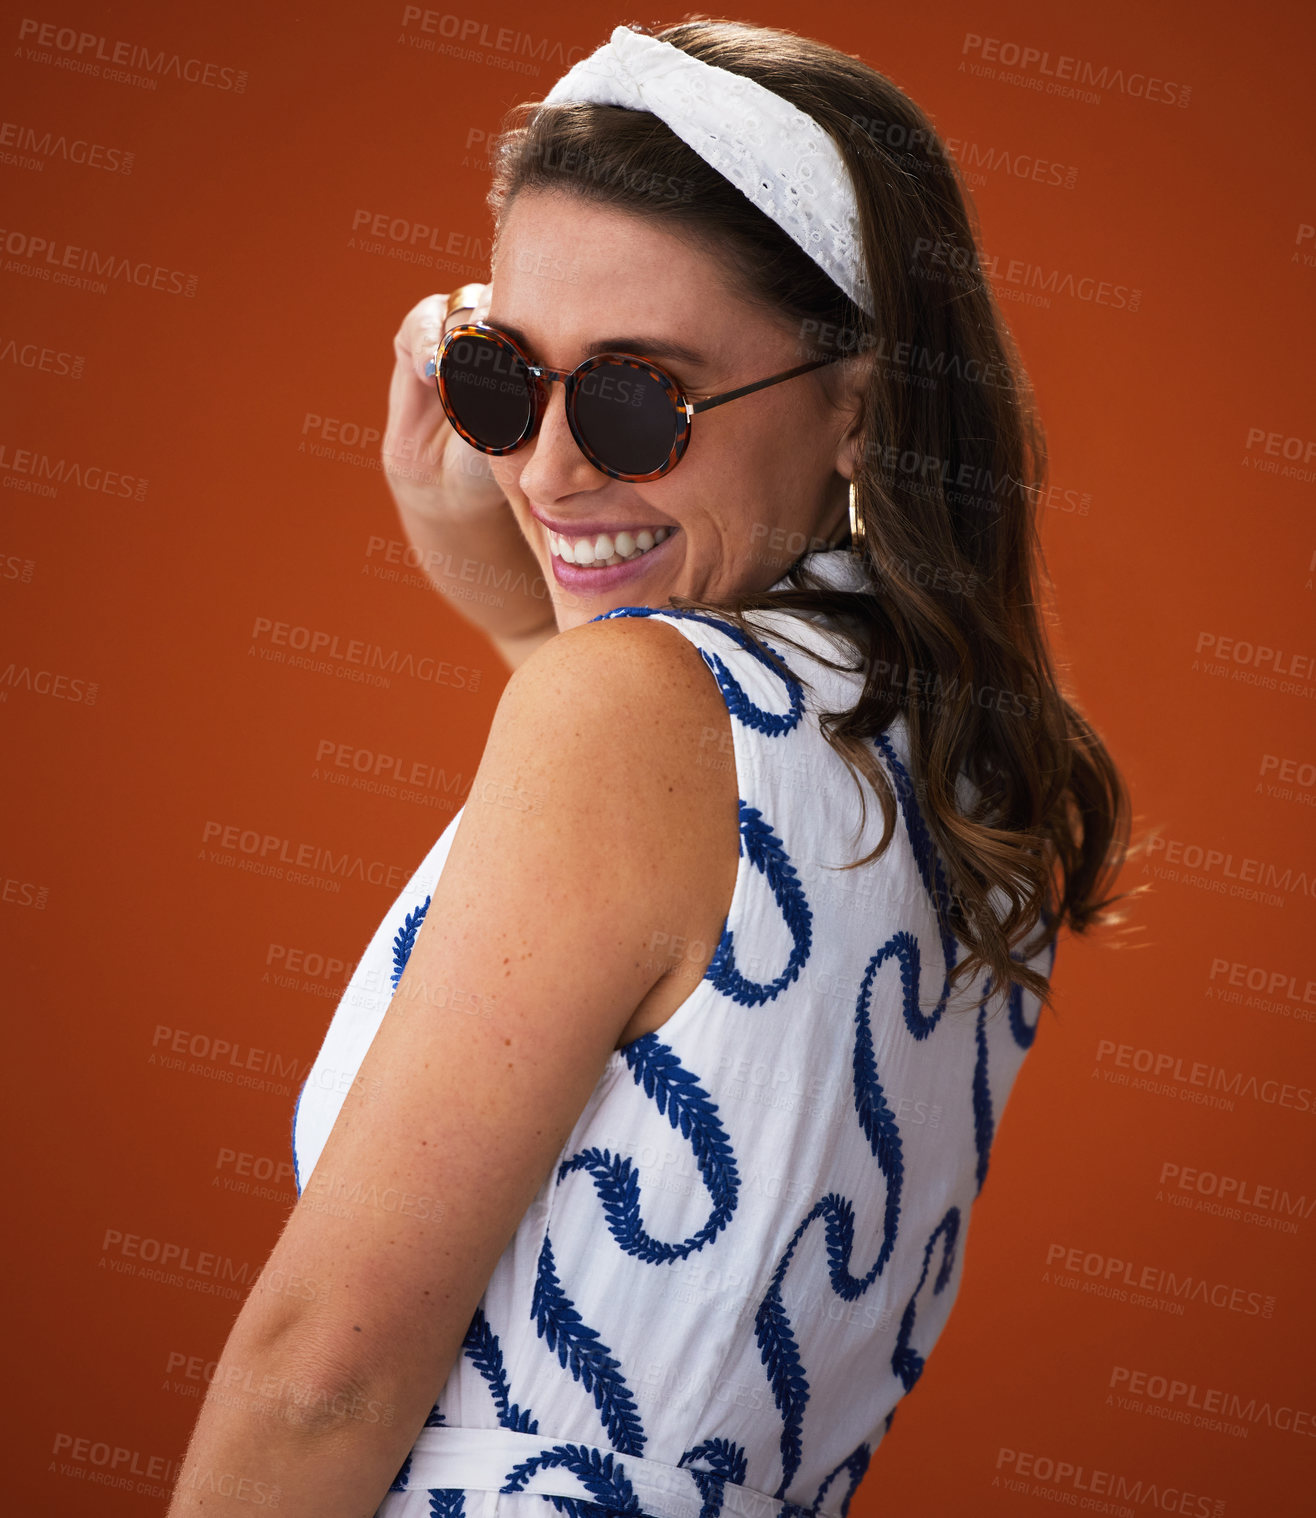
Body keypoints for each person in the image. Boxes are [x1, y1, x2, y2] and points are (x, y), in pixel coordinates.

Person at [166, 19, 1130, 1518]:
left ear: (857, 406)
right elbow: (693, 942)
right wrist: (504, 597)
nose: (547, 472)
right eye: (502, 379)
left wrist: (549, 647)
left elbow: (323, 1384)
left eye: (636, 398)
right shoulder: (967, 769)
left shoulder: (635, 717)